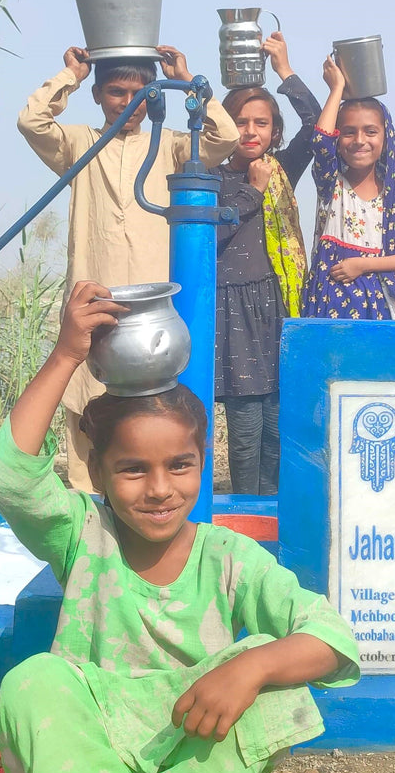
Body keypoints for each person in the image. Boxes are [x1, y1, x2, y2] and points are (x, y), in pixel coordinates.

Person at [0, 281, 359, 773]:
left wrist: (249, 668)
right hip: (85, 754)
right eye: (132, 470)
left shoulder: (229, 558)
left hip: (191, 745)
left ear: (201, 463)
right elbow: (9, 476)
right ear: (98, 474)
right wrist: (65, 355)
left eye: (179, 465)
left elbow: (332, 636)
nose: (160, 489)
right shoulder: (84, 536)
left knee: (277, 669)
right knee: (34, 679)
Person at [17, 45, 240, 493]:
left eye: (141, 94)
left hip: (152, 315)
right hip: (94, 306)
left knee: (153, 413)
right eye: (117, 92)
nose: (129, 102)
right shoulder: (81, 143)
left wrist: (185, 76)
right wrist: (71, 75)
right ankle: (88, 531)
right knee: (85, 413)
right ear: (98, 95)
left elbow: (224, 138)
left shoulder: (171, 145)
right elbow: (32, 122)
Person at [215, 31, 319, 495]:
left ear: (273, 131)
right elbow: (212, 233)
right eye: (241, 121)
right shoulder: (210, 175)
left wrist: (284, 70)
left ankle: (273, 514)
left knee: (277, 422)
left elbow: (317, 125)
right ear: (223, 126)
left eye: (261, 123)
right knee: (244, 427)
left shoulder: (281, 169)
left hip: (277, 304)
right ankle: (244, 515)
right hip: (233, 309)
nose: (251, 131)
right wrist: (251, 191)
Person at [301, 55, 395, 320]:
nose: (360, 140)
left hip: (381, 310)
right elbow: (321, 143)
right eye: (349, 132)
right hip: (330, 305)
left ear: (386, 136)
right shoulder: (332, 184)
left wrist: (363, 265)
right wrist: (336, 89)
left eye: (370, 132)